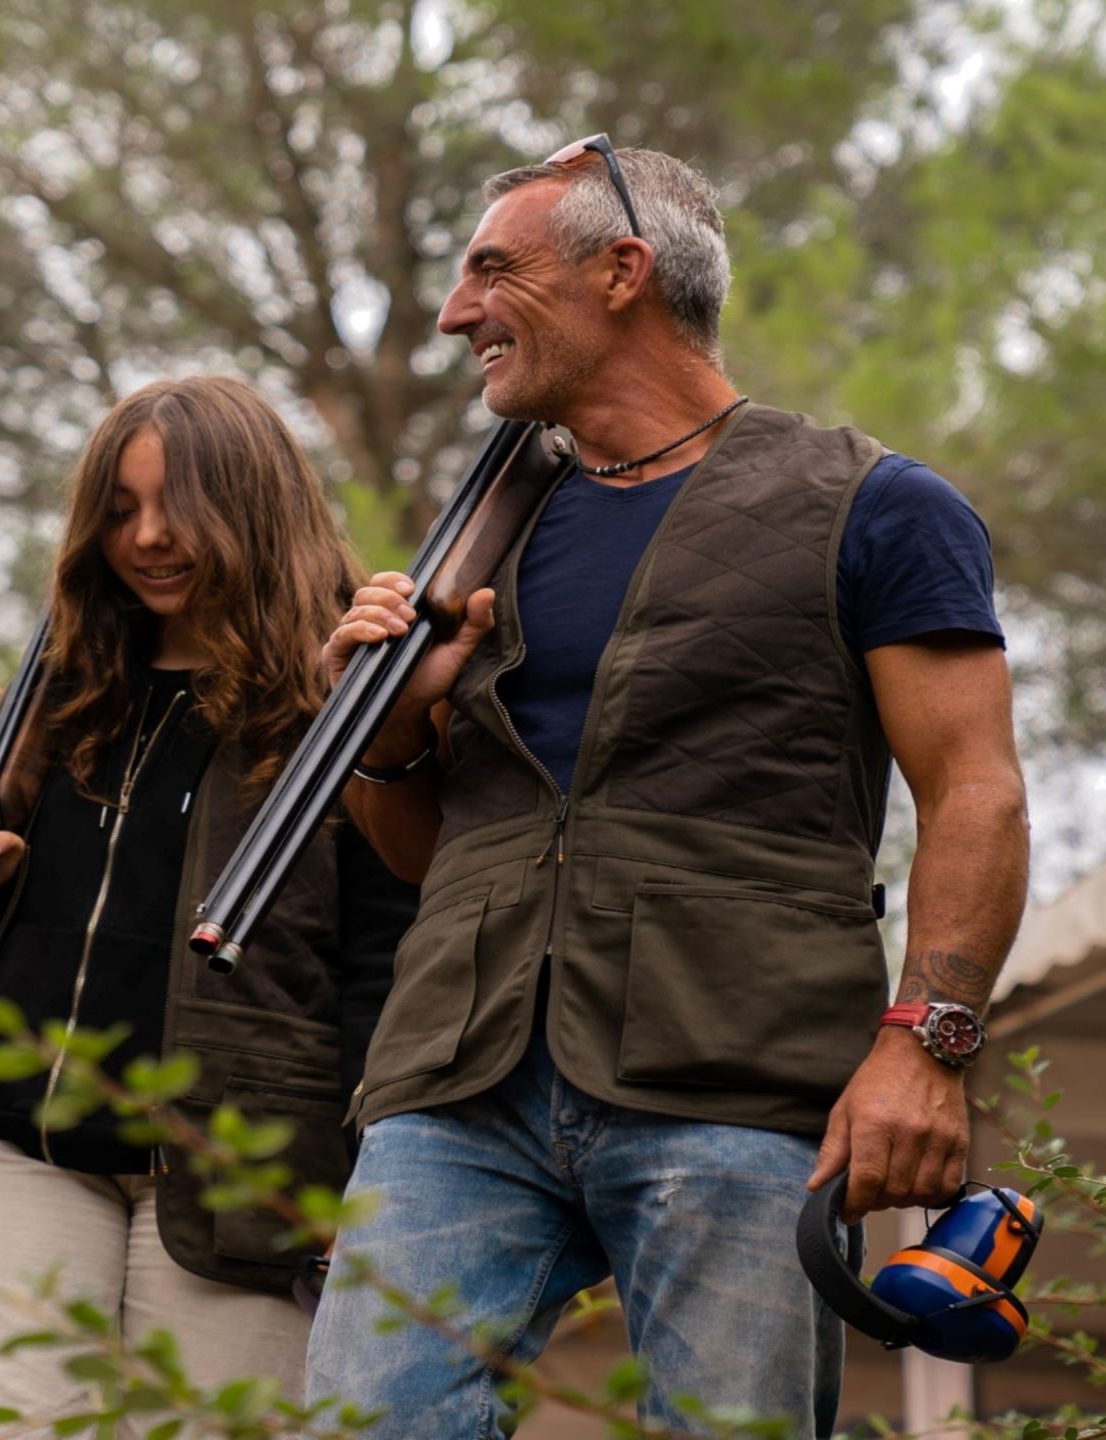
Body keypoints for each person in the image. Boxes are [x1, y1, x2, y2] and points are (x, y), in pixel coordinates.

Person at [303, 138, 1028, 1435]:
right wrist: (393, 727)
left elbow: (976, 791)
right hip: (459, 1082)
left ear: (623, 270)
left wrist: (928, 1047)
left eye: (491, 272)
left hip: (733, 1081)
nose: (457, 311)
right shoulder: (484, 527)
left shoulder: (875, 506)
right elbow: (427, 853)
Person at [0, 376, 415, 1437]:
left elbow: (385, 958)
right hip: (21, 1142)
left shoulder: (348, 699)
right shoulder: (61, 688)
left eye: (173, 508)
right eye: (121, 510)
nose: (145, 538)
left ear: (252, 507)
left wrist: (367, 1175)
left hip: (242, 1165)